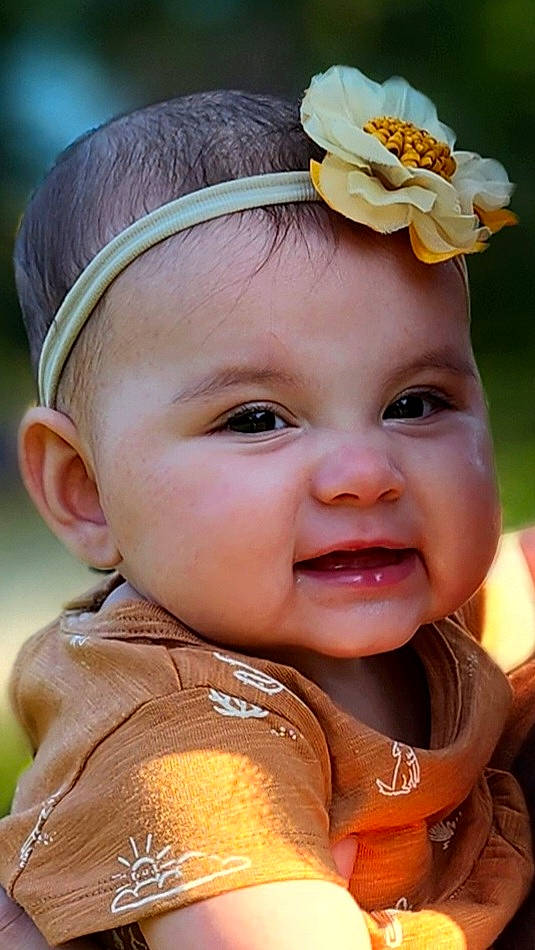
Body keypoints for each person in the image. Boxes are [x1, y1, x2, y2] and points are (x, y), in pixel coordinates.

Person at [0, 64, 534, 949]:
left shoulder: (405, 614)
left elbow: (514, 581)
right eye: (256, 419)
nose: (365, 473)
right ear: (83, 488)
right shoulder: (182, 737)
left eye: (415, 403)